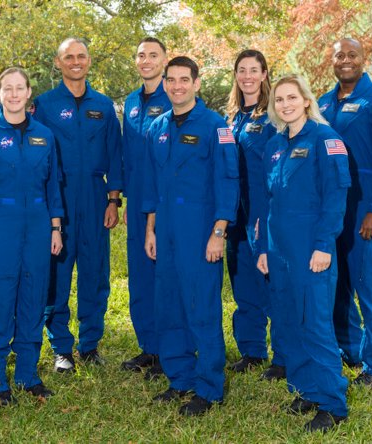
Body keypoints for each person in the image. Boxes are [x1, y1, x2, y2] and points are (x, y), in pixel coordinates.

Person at [142, 56, 239, 416]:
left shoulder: (216, 127)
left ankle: (209, 387)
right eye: (172, 80)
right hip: (166, 229)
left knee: (201, 307)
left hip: (200, 230)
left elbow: (229, 182)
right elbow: (153, 185)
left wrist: (219, 232)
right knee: (168, 305)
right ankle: (179, 377)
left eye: (185, 79)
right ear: (165, 83)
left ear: (197, 84)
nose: (177, 86)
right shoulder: (158, 128)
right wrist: (151, 229)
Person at [0, 67, 64, 406]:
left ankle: (27, 375)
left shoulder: (45, 137)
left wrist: (55, 227)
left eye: (20, 88)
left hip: (37, 227)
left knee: (33, 300)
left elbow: (53, 188)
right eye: (8, 88)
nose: (14, 94)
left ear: (29, 92)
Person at [256, 74, 350, 432]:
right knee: (289, 321)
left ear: (306, 101)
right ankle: (307, 389)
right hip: (280, 250)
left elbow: (335, 198)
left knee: (315, 325)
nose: (285, 104)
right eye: (279, 100)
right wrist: (263, 247)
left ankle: (332, 403)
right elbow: (269, 201)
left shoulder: (326, 140)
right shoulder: (274, 146)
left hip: (312, 249)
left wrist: (324, 245)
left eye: (291, 98)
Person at [33, 37, 123, 372]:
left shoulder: (103, 105)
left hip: (95, 197)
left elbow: (115, 153)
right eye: (68, 57)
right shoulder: (43, 104)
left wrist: (113, 199)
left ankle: (90, 344)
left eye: (81, 56)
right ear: (58, 63)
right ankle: (61, 348)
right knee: (56, 273)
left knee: (95, 272)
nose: (75, 62)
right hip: (58, 196)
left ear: (89, 61)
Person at [318, 38, 372, 388]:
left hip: (365, 206)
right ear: (332, 60)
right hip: (332, 208)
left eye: (352, 55)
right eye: (339, 55)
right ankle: (350, 350)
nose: (346, 61)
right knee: (337, 284)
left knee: (370, 285)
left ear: (363, 59)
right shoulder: (323, 102)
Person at [224, 49, 286, 381]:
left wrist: (269, 213)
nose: (247, 76)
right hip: (234, 213)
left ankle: (283, 354)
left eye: (254, 70)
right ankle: (252, 349)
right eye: (242, 70)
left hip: (262, 210)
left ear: (264, 74)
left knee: (271, 282)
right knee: (243, 281)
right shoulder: (231, 118)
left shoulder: (274, 116)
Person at [120, 37, 171, 380]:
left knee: (164, 276)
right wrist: (122, 198)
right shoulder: (130, 103)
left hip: (166, 202)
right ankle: (149, 347)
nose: (146, 60)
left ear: (165, 61)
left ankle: (171, 350)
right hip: (137, 200)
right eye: (141, 55)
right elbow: (127, 154)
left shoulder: (175, 98)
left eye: (153, 55)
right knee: (139, 276)